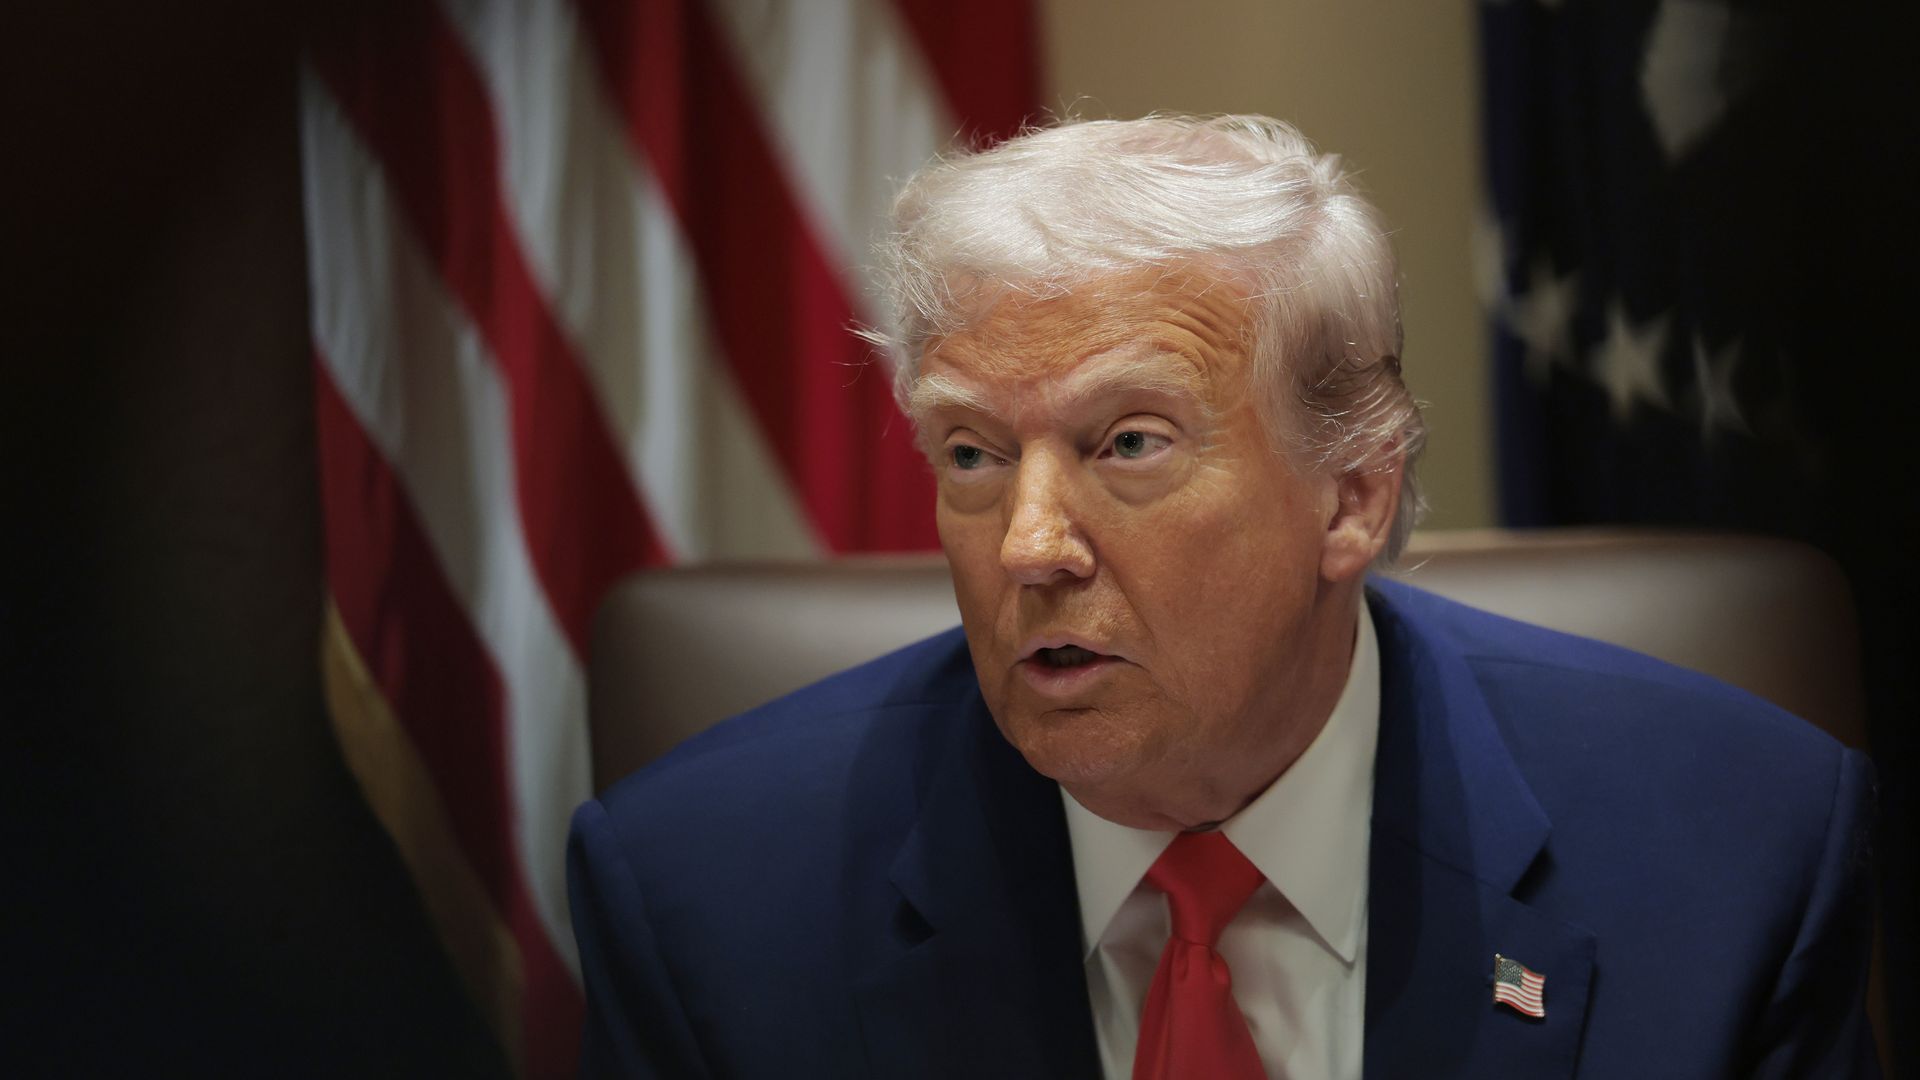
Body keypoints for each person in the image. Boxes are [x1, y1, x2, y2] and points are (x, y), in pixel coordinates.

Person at [567, 115, 1878, 1078]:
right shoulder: (703, 900)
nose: (1029, 544)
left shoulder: (1736, 856)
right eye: (972, 453)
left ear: (1352, 496)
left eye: (1127, 443)